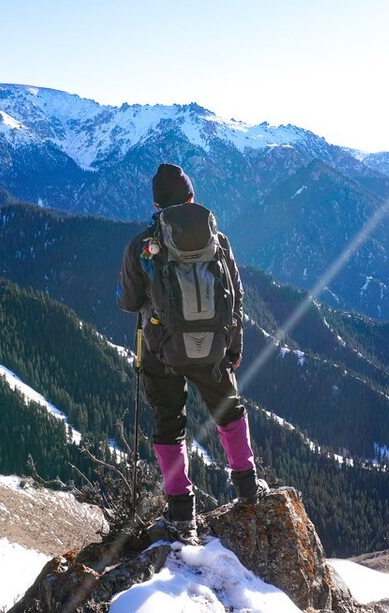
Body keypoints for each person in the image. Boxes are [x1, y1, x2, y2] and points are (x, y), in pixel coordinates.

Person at [117, 163, 266, 543]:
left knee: (169, 423)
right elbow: (235, 296)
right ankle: (248, 487)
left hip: (161, 349)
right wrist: (234, 345)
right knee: (228, 408)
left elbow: (130, 300)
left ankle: (182, 515)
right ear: (191, 197)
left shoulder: (141, 245)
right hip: (214, 346)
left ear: (155, 203)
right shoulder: (218, 241)